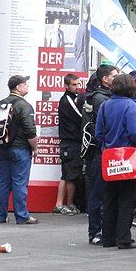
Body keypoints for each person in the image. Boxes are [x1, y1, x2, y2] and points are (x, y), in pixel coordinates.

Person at [95, 73, 136, 249]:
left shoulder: (104, 106)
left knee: (110, 198)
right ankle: (124, 238)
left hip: (110, 157)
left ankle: (108, 237)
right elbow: (135, 132)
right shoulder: (130, 105)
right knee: (127, 199)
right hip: (127, 158)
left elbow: (98, 134)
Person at [0, 74, 39, 225]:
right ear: (19, 87)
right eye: (25, 84)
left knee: (3, 182)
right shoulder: (23, 105)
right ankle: (22, 216)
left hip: (3, 147)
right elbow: (30, 130)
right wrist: (35, 148)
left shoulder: (1, 103)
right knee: (20, 183)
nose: (27, 86)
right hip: (20, 149)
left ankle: (0, 215)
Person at [83, 64, 117, 244]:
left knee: (105, 194)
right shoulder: (100, 99)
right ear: (105, 79)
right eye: (114, 75)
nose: (117, 78)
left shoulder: (106, 98)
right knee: (98, 193)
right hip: (100, 152)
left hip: (105, 151)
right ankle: (95, 231)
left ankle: (103, 230)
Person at [54, 73, 82, 215]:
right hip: (70, 143)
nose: (78, 87)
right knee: (67, 175)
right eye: (74, 85)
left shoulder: (72, 99)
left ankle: (68, 204)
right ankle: (61, 204)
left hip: (70, 143)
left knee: (70, 175)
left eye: (78, 84)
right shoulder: (67, 100)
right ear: (66, 86)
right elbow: (80, 117)